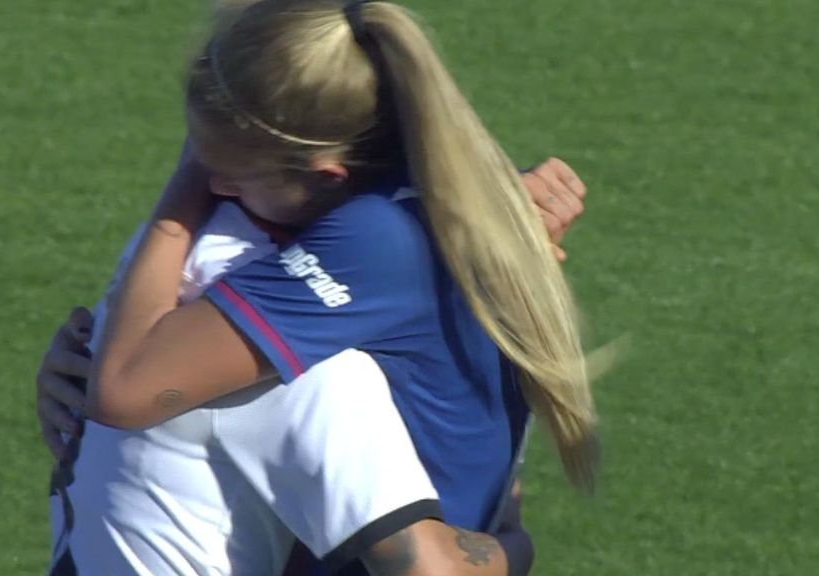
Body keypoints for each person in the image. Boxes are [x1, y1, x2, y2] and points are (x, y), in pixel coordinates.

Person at [40, 0, 598, 573]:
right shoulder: (436, 186)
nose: (214, 189)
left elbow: (124, 389)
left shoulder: (357, 264)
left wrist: (513, 545)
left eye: (230, 174)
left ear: (326, 175)